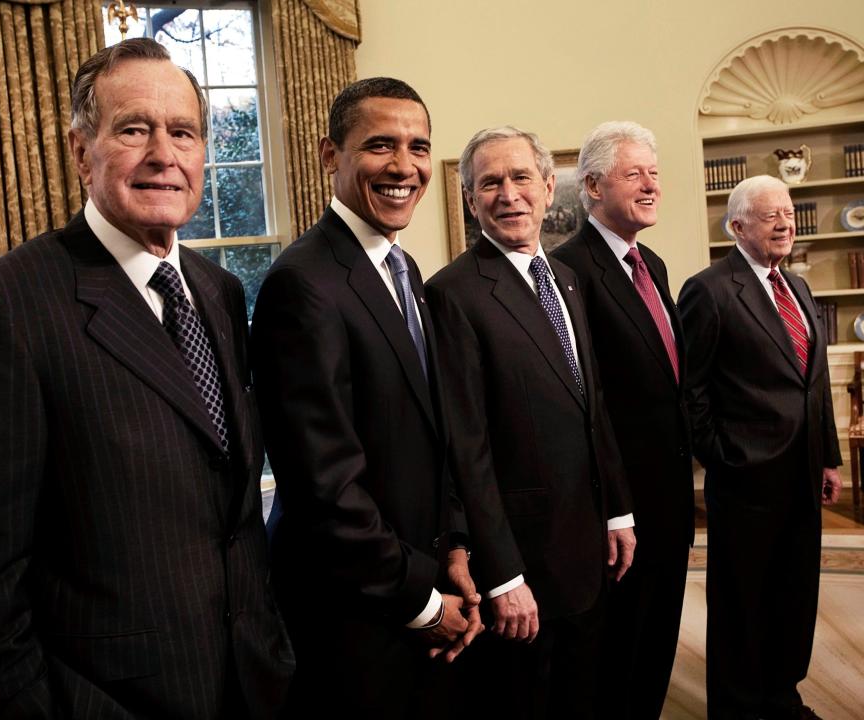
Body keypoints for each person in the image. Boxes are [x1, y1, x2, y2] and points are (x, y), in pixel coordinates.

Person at [0, 38, 293, 718]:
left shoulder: (220, 292)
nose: (163, 156)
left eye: (182, 132)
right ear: (79, 149)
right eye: (134, 129)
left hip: (249, 686)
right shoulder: (0, 310)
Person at [250, 77, 482, 719]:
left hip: (419, 575)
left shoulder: (404, 271)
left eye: (417, 146)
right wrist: (424, 603)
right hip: (352, 608)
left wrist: (455, 545)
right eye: (381, 145)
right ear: (330, 155)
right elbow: (324, 486)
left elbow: (436, 435)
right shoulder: (303, 284)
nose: (404, 166)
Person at [426, 126, 634, 719]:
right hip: (525, 567)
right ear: (471, 201)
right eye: (489, 183)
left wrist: (618, 509)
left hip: (590, 546)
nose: (507, 193)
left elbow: (592, 405)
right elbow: (468, 447)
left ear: (548, 188)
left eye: (521, 178)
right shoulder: (454, 294)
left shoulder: (566, 279)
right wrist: (504, 576)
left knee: (584, 696)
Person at [678, 174, 842, 720]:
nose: (785, 223)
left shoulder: (797, 286)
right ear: (737, 225)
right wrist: (725, 454)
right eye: (771, 215)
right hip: (746, 479)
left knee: (795, 596)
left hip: (802, 472)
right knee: (743, 601)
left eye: (789, 213)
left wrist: (828, 456)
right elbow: (691, 391)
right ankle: (739, 706)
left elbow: (812, 381)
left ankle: (781, 696)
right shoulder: (710, 289)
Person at [551, 120, 693, 719]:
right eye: (633, 174)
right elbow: (587, 402)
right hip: (620, 510)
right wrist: (616, 506)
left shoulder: (653, 263)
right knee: (620, 661)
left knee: (658, 647)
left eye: (654, 174)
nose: (651, 185)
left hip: (672, 500)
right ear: (591, 186)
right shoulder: (568, 272)